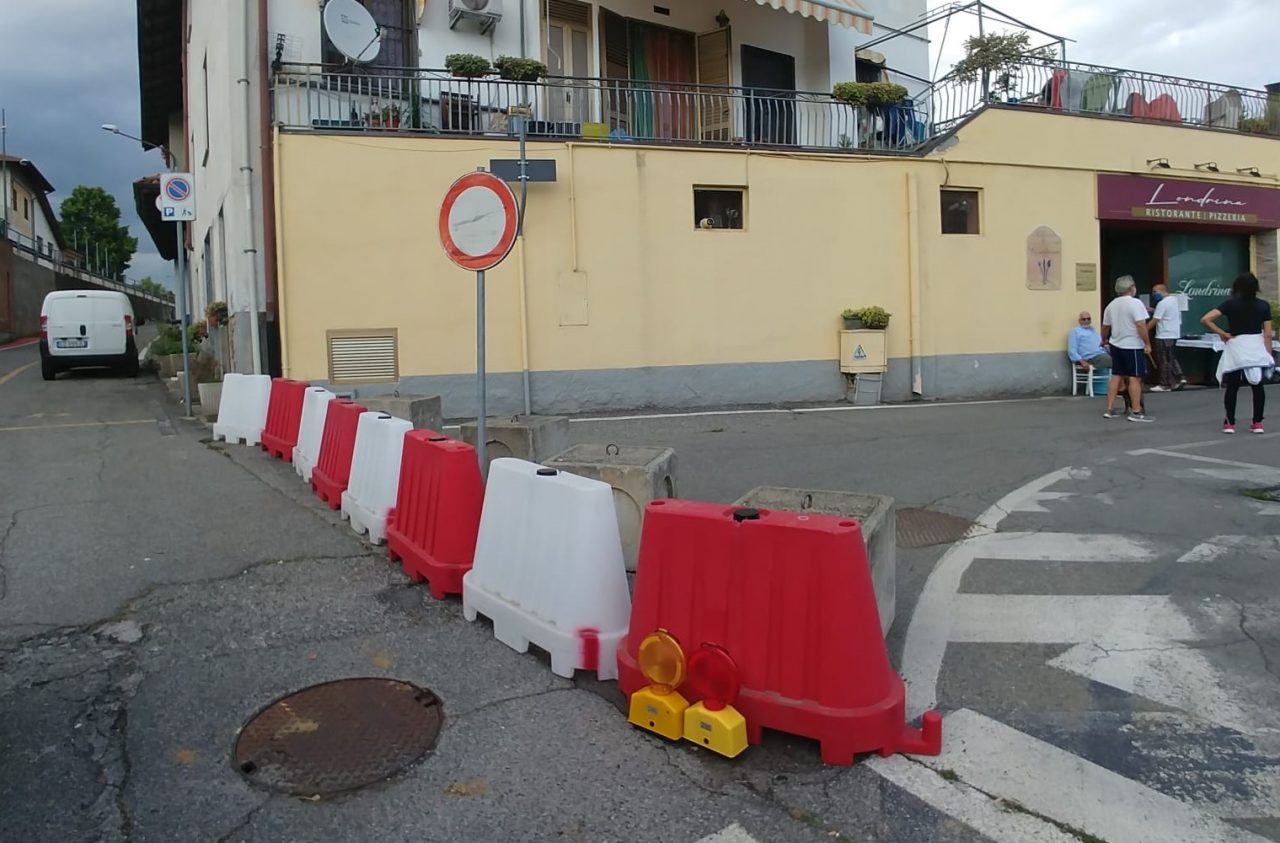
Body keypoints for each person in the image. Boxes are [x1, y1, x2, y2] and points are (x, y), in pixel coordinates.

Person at [1201, 272, 1274, 434]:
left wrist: (1223, 333)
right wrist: (1268, 354)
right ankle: (1257, 422)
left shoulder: (1230, 304)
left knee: (1232, 386)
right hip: (1255, 346)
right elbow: (1268, 334)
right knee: (1257, 386)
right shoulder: (1263, 305)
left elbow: (1206, 319)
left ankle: (1229, 422)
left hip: (1236, 346)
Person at [1101, 275, 1155, 422]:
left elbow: (1105, 326)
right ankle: (1136, 411)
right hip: (1132, 345)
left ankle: (1110, 409)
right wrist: (1147, 343)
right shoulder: (1135, 303)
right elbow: (1141, 325)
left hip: (1115, 343)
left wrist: (1103, 339)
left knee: (1116, 375)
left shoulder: (1111, 305)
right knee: (1134, 378)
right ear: (1132, 288)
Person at [1148, 284, 1186, 392]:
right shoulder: (1173, 301)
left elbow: (1155, 320)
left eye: (1155, 292)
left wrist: (1144, 330)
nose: (1154, 294)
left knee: (1163, 359)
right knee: (1171, 357)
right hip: (1173, 334)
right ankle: (1180, 377)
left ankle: (1164, 384)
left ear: (1162, 291)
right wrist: (1153, 310)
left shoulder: (1162, 303)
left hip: (1163, 335)